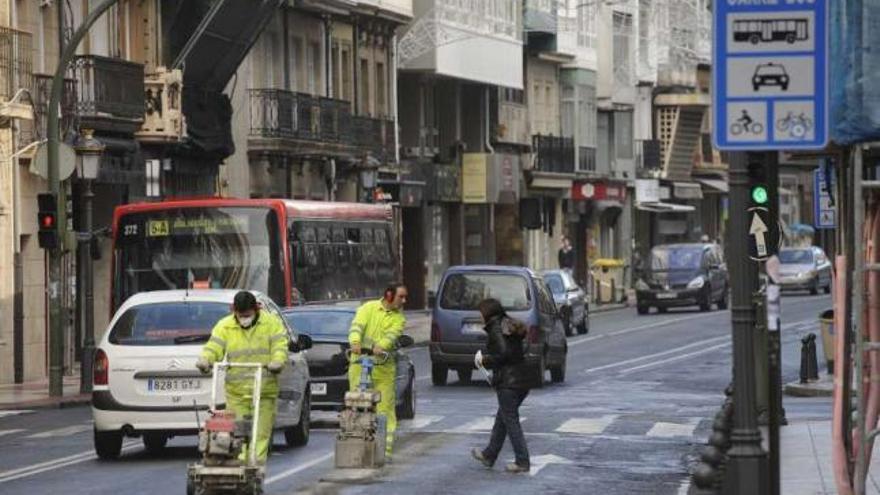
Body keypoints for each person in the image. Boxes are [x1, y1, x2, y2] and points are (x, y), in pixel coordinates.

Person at [196, 291, 289, 466]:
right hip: (236, 391)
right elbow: (214, 345)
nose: (244, 319)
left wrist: (278, 361)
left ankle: (255, 467)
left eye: (247, 315)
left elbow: (279, 345)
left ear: (256, 309)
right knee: (238, 432)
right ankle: (237, 467)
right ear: (234, 311)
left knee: (260, 433)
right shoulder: (225, 326)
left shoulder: (271, 323)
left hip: (264, 388)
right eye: (241, 316)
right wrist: (206, 359)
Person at [470, 298, 532, 473]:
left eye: (481, 314)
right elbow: (518, 350)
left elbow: (503, 353)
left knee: (510, 421)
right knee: (503, 419)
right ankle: (489, 455)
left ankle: (522, 461)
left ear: (488, 313)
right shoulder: (508, 324)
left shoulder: (496, 328)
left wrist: (485, 359)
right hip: (520, 380)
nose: (480, 317)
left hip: (509, 382)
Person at [348, 283, 408, 458]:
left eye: (405, 297)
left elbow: (392, 336)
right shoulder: (368, 308)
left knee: (385, 409)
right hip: (360, 365)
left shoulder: (399, 318)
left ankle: (385, 449)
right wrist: (355, 342)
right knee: (357, 405)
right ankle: (358, 446)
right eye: (401, 297)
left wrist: (380, 347)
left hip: (383, 368)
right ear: (389, 295)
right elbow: (356, 327)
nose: (404, 300)